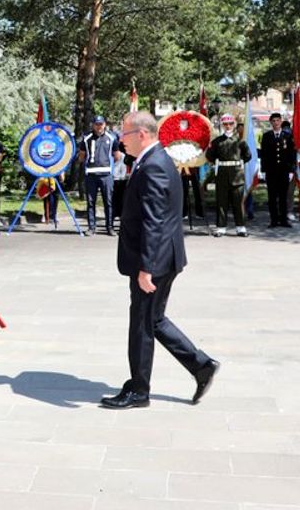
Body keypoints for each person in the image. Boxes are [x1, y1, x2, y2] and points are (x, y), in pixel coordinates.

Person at [101, 111, 218, 410]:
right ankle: (200, 365)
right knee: (153, 320)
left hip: (155, 261)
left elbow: (154, 222)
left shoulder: (153, 166)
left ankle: (140, 390)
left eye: (124, 134)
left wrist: (146, 268)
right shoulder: (156, 160)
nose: (120, 140)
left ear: (141, 135)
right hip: (165, 257)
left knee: (141, 323)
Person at [206, 114, 250, 237]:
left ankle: (240, 227)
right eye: (225, 124)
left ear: (234, 124)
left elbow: (248, 156)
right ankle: (221, 227)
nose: (228, 126)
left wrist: (237, 164)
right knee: (221, 202)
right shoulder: (217, 141)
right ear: (222, 125)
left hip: (237, 175)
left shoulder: (240, 141)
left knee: (238, 202)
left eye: (230, 123)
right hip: (222, 175)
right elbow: (209, 156)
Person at [78, 115, 122, 236]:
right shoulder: (86, 138)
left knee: (108, 202)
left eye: (101, 124)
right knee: (91, 202)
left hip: (106, 174)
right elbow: (81, 156)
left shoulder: (111, 138)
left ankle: (110, 227)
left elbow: (117, 155)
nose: (99, 127)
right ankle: (91, 227)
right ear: (93, 125)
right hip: (91, 174)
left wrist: (109, 164)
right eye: (97, 124)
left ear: (104, 125)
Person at [259, 112, 295, 228]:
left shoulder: (287, 136)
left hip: (284, 171)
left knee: (283, 197)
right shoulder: (267, 136)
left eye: (277, 120)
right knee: (272, 197)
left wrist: (291, 170)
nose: (276, 123)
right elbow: (264, 154)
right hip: (271, 172)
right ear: (271, 123)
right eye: (273, 121)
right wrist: (263, 170)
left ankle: (284, 220)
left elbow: (291, 154)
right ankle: (274, 220)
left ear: (281, 121)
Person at [281, 120, 297, 222]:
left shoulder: (293, 139)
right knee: (288, 193)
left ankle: (287, 211)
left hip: (289, 169)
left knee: (287, 192)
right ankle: (287, 212)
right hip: (287, 169)